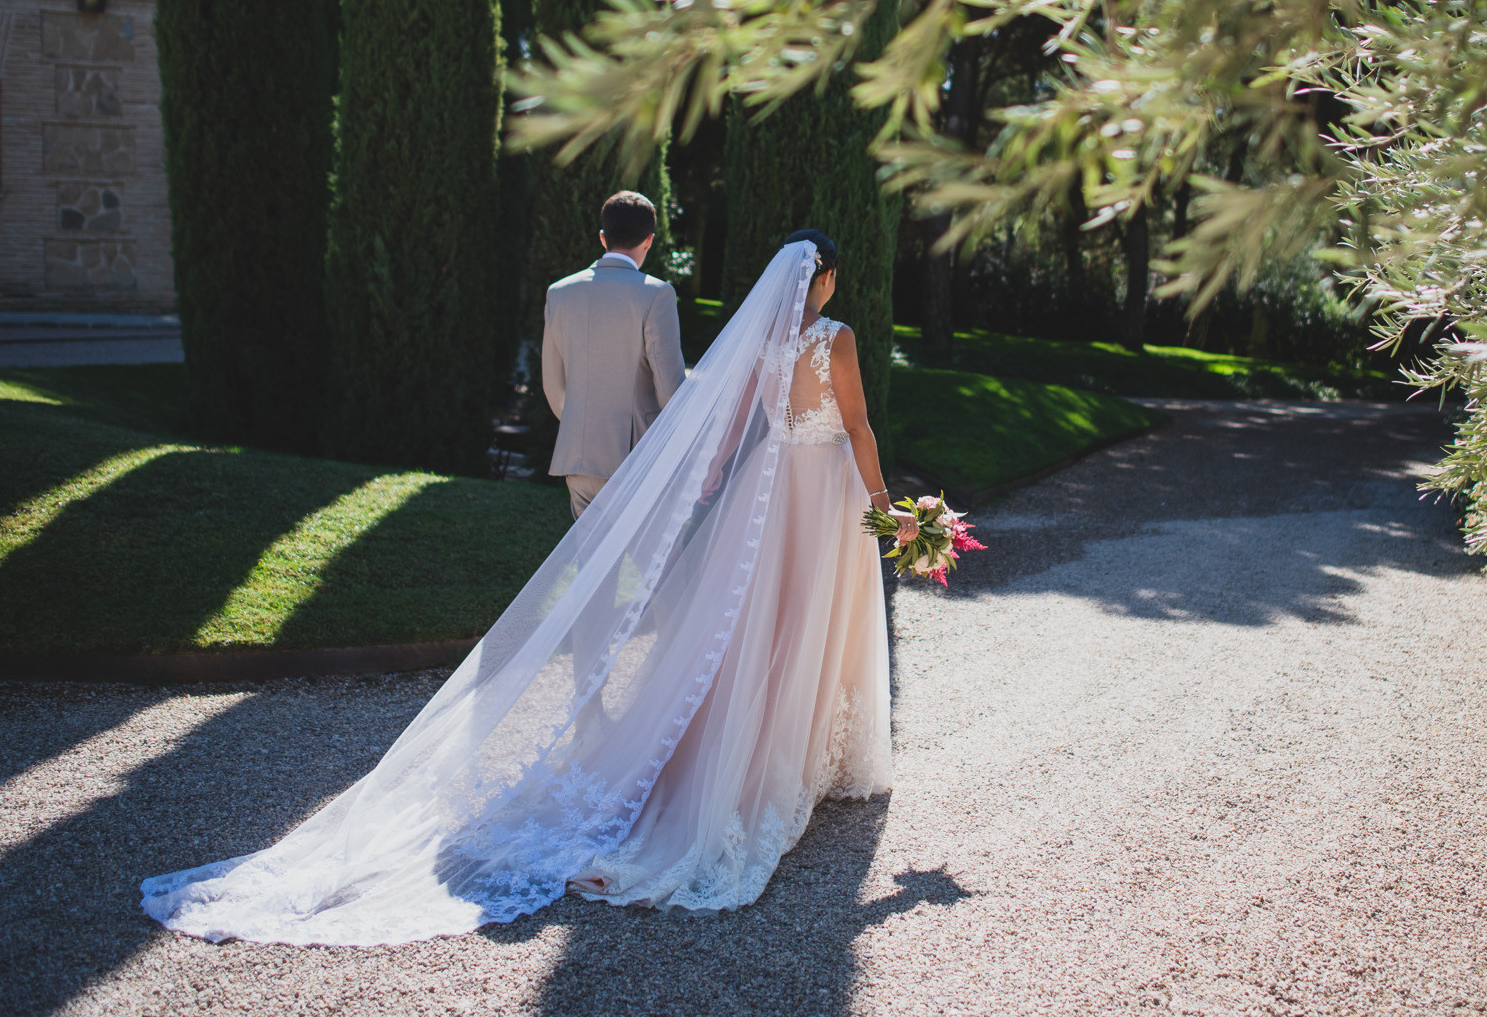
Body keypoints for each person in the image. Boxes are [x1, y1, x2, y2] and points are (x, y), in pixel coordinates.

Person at [139, 232, 918, 945]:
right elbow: (857, 428)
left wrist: (714, 481)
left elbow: (738, 425)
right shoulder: (834, 339)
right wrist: (889, 510)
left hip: (767, 490)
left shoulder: (761, 346)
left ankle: (756, 752)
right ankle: (798, 760)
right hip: (821, 493)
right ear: (828, 281)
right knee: (810, 618)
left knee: (758, 624)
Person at [542, 191, 688, 520]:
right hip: (637, 455)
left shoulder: (560, 292)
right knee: (656, 565)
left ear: (602, 237)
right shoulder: (657, 293)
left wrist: (583, 425)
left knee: (593, 566)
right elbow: (670, 389)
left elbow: (553, 382)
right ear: (649, 240)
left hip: (579, 455)